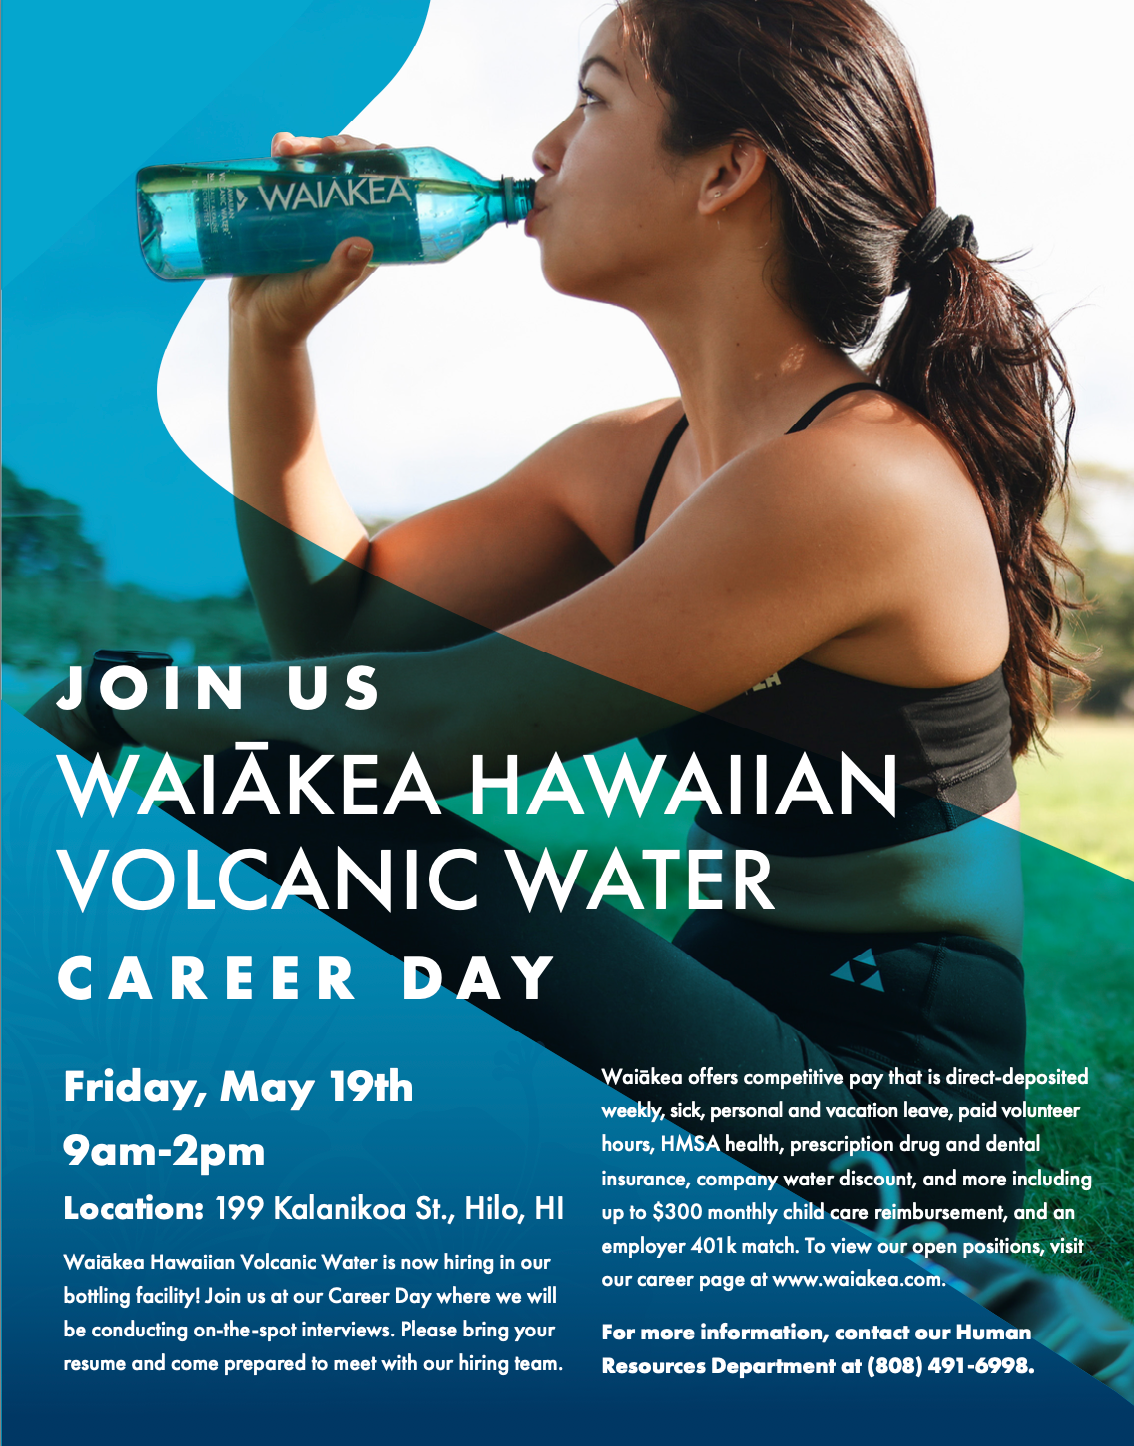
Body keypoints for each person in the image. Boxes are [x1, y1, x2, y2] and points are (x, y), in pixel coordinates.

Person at [30, 0, 1085, 1235]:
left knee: (245, 791)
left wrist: (129, 694)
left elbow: (431, 721)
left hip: (879, 1106)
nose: (540, 147)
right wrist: (270, 343)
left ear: (729, 170)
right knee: (249, 791)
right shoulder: (632, 460)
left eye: (591, 101)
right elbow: (341, 634)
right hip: (729, 1017)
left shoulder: (858, 478)